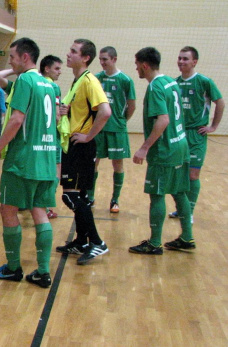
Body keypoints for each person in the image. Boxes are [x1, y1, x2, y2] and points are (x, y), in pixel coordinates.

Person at [0, 37, 57, 288]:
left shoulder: (25, 80)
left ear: (25, 58)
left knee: (8, 208)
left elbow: (16, 119)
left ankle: (14, 268)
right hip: (47, 158)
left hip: (23, 160)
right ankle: (43, 271)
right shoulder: (48, 84)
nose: (10, 61)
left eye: (12, 57)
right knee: (39, 210)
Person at [128, 47, 194, 255]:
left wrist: (144, 148)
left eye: (137, 64)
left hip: (165, 150)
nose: (136, 68)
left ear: (145, 66)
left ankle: (155, 243)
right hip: (181, 145)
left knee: (157, 194)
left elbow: (163, 120)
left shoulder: (155, 87)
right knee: (179, 192)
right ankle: (186, 237)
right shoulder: (171, 82)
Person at [55, 39, 111, 265]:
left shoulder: (89, 81)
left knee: (71, 195)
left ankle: (97, 242)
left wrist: (88, 136)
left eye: (73, 51)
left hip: (81, 146)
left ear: (85, 57)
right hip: (74, 145)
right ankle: (81, 241)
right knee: (80, 196)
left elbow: (105, 111)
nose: (68, 54)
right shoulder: (77, 82)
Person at [168, 46, 224, 219]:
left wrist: (213, 127)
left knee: (193, 174)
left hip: (196, 135)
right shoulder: (174, 82)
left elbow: (220, 103)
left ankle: (189, 212)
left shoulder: (204, 81)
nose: (181, 61)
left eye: (185, 59)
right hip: (179, 135)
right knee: (179, 174)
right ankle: (182, 208)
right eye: (179, 58)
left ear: (194, 61)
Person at [86, 46, 136, 213]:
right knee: (93, 163)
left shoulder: (126, 80)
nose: (102, 62)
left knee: (118, 165)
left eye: (105, 59)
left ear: (114, 59)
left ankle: (115, 199)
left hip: (117, 130)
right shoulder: (96, 78)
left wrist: (120, 121)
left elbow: (132, 106)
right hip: (98, 129)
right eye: (100, 59)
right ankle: (90, 196)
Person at [39, 54, 64, 219]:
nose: (60, 72)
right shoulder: (53, 87)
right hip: (51, 137)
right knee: (55, 172)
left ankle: (31, 202)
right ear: (46, 69)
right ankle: (45, 206)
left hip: (36, 136)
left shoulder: (34, 84)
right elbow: (55, 116)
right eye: (57, 68)